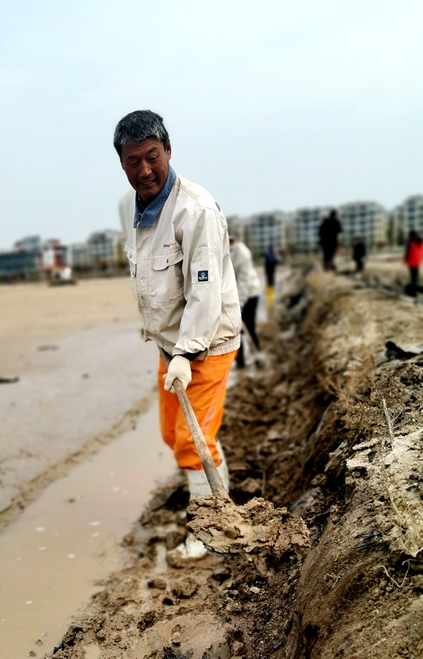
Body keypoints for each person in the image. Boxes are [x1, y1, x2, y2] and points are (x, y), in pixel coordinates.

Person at [114, 110, 241, 557]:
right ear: (122, 163)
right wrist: (172, 350)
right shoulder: (127, 208)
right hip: (170, 345)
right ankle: (217, 485)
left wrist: (187, 354)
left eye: (153, 156)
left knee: (191, 440)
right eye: (133, 161)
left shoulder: (196, 210)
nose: (144, 170)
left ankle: (211, 531)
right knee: (174, 433)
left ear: (168, 150)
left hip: (207, 343)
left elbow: (205, 291)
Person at [229, 232, 262, 368]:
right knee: (236, 329)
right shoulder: (225, 249)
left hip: (250, 294)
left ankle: (258, 354)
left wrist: (239, 305)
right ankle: (241, 362)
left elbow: (243, 282)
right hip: (237, 295)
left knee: (248, 326)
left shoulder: (242, 254)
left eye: (231, 240)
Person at [404, 230, 423, 294]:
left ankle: (413, 291)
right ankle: (415, 289)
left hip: (411, 261)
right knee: (415, 276)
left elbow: (408, 252)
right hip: (417, 261)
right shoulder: (420, 242)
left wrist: (405, 259)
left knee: (413, 276)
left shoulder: (410, 242)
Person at [263, 243, 279, 308]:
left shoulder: (271, 254)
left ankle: (271, 297)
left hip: (271, 271)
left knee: (271, 284)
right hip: (269, 272)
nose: (274, 249)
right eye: (274, 248)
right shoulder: (269, 254)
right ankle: (270, 298)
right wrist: (276, 259)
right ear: (271, 248)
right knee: (270, 284)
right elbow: (272, 261)